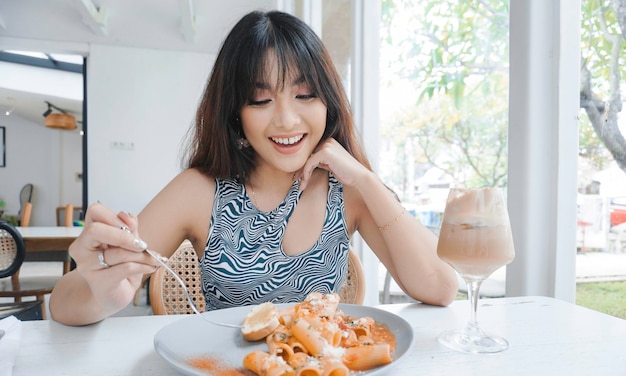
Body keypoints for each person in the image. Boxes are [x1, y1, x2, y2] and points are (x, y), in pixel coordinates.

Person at [49, 10, 458, 326]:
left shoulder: (348, 190)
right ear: (236, 113)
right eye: (261, 100)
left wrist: (367, 180)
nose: (286, 120)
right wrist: (101, 295)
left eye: (305, 94)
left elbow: (441, 288)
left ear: (327, 101)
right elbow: (63, 304)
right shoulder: (199, 191)